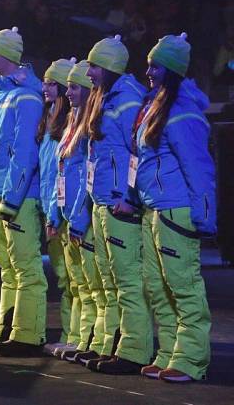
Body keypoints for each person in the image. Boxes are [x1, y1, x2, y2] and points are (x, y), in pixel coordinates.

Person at [134, 33, 215, 382]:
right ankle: (170, 352)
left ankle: (191, 360)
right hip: (155, 209)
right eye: (150, 64)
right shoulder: (157, 105)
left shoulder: (182, 111)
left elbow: (199, 168)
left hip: (176, 210)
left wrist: (204, 217)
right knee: (157, 285)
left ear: (172, 70)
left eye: (156, 65)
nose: (149, 70)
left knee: (183, 285)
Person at [0, 27, 47, 357]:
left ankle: (28, 334)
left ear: (8, 56)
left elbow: (24, 152)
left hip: (17, 195)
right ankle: (7, 327)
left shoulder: (27, 95)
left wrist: (12, 196)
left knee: (25, 265)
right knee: (6, 264)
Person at [83, 35, 151, 374]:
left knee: (127, 280)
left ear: (109, 66)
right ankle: (119, 345)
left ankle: (135, 350)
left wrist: (129, 196)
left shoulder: (127, 100)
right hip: (104, 201)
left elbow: (137, 152)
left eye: (94, 65)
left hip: (119, 204)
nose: (89, 71)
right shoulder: (108, 98)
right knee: (111, 280)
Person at [53, 61, 104, 364]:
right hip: (69, 213)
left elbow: (85, 176)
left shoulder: (89, 124)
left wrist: (78, 216)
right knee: (79, 283)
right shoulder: (73, 121)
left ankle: (94, 340)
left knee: (95, 283)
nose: (67, 92)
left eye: (73, 87)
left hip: (81, 213)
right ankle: (80, 338)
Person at [37, 58, 75, 357]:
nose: (45, 87)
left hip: (62, 211)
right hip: (53, 209)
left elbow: (62, 174)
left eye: (51, 83)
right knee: (65, 278)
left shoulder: (67, 125)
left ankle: (79, 335)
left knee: (75, 278)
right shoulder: (50, 118)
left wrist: (53, 212)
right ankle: (69, 334)